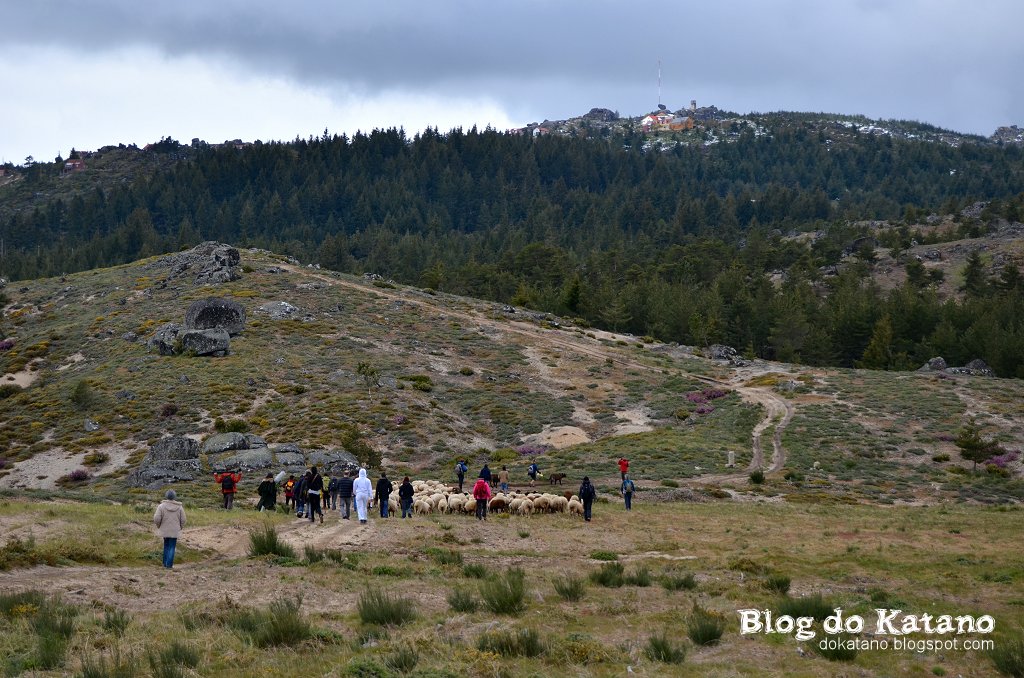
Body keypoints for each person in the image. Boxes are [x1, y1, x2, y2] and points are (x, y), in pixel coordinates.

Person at [153, 489, 186, 569]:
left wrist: (159, 526)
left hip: (164, 530)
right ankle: (169, 565)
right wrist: (180, 527)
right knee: (172, 547)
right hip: (175, 531)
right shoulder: (179, 507)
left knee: (166, 546)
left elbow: (156, 518)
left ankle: (165, 564)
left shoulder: (161, 506)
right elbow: (183, 520)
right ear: (174, 496)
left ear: (166, 496)